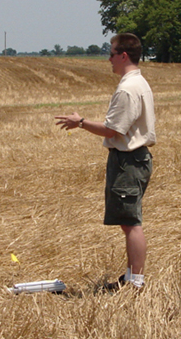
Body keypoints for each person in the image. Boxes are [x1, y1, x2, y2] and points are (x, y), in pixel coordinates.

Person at [55, 33, 156, 290]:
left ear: (123, 56)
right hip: (133, 159)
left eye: (111, 54)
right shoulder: (138, 82)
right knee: (128, 220)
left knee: (131, 222)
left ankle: (136, 282)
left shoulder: (127, 88)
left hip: (128, 161)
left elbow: (113, 130)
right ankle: (131, 276)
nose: (108, 59)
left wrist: (80, 123)